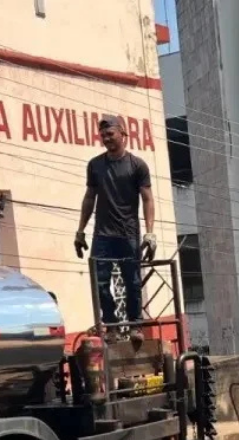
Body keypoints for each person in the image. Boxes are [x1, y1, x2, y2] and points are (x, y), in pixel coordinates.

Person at [75, 116, 156, 329]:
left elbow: (147, 198)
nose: (106, 139)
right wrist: (80, 231)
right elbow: (89, 197)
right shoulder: (95, 165)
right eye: (103, 136)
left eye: (110, 134)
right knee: (100, 283)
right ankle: (110, 323)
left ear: (123, 134)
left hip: (128, 234)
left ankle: (135, 325)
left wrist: (150, 233)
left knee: (132, 283)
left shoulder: (137, 165)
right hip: (102, 235)